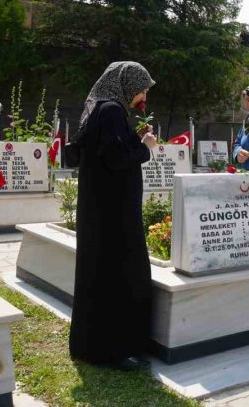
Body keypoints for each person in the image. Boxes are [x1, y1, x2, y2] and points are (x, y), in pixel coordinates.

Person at [68, 61, 158, 370]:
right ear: (128, 85)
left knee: (101, 276)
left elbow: (106, 154)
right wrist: (145, 146)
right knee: (120, 277)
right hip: (114, 216)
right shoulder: (111, 112)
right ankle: (116, 350)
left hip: (103, 212)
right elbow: (119, 159)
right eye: (142, 88)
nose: (144, 94)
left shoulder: (103, 109)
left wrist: (133, 138)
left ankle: (96, 346)